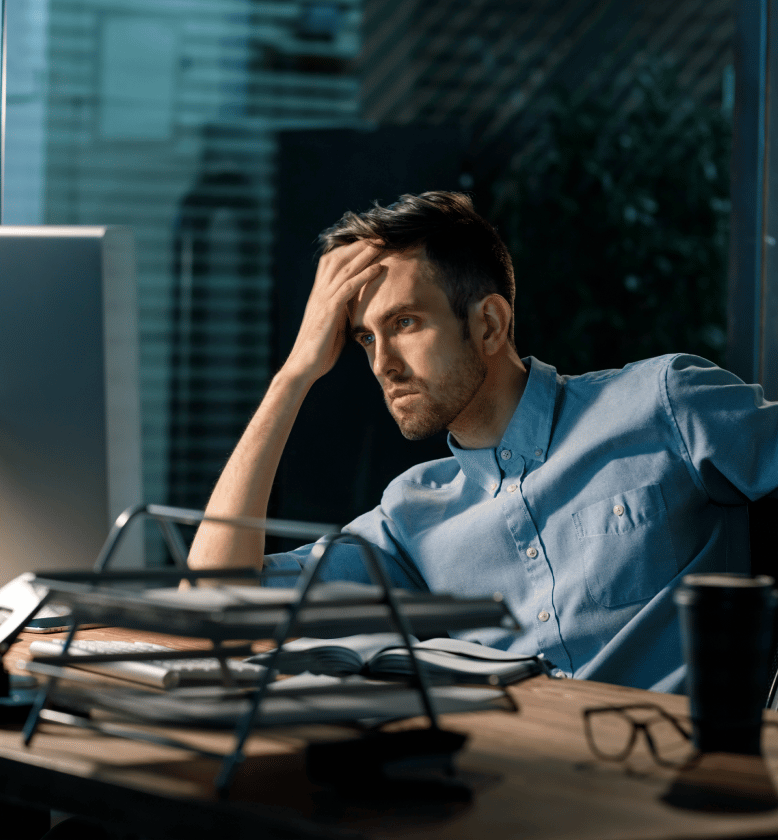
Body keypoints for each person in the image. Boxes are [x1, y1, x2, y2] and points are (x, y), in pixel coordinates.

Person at [186, 190, 778, 693]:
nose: (382, 364)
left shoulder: (663, 404)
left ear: (489, 324)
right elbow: (216, 604)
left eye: (405, 323)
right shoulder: (407, 522)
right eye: (365, 338)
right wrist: (295, 373)